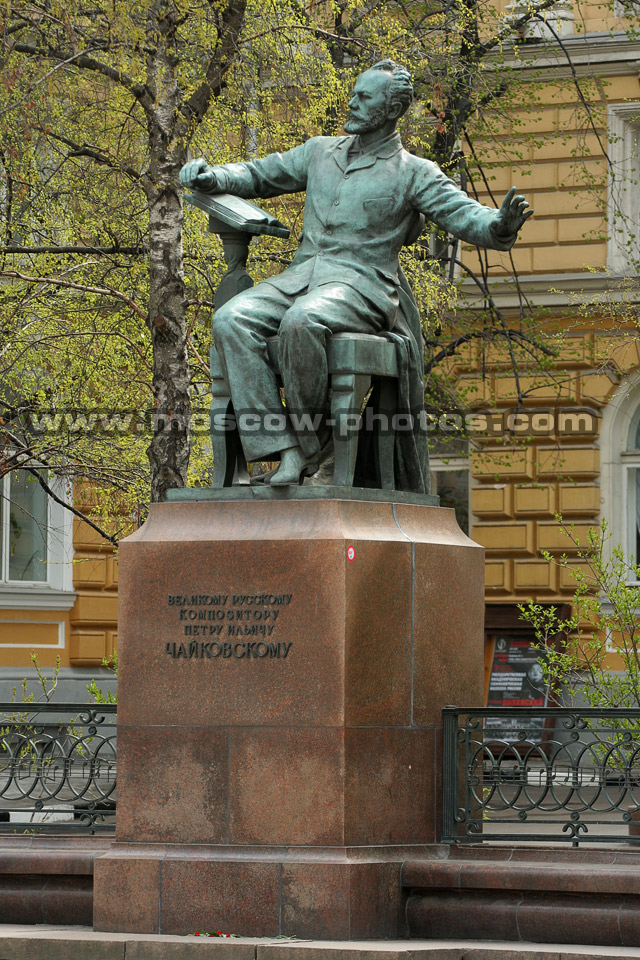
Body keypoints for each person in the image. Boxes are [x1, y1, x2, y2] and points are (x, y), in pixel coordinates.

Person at [180, 59, 532, 487]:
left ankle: (315, 450)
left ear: (391, 111)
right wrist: (213, 174)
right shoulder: (319, 152)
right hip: (301, 278)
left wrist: (498, 227)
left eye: (364, 98)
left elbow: (463, 214)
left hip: (362, 287)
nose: (352, 103)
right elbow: (258, 173)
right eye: (354, 93)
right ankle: (286, 449)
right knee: (230, 319)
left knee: (302, 321)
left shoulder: (413, 172)